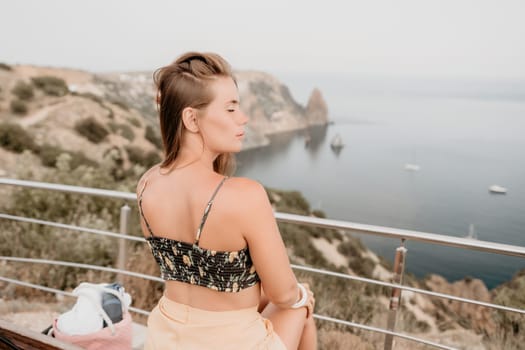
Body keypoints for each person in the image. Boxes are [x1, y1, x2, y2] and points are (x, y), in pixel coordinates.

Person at [136, 52, 317, 349]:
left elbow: (199, 279)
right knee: (300, 306)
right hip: (231, 342)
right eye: (231, 109)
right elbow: (282, 294)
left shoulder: (146, 184)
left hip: (166, 338)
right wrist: (301, 295)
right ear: (192, 119)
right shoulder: (244, 195)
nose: (243, 118)